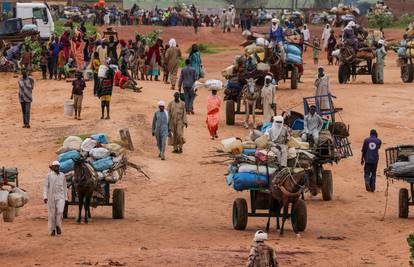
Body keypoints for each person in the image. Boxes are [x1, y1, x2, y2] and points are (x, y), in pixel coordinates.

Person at [43, 161, 68, 236]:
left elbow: (64, 187)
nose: (57, 168)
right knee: (52, 214)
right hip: (51, 197)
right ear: (52, 167)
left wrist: (66, 198)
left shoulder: (62, 175)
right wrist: (45, 196)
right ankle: (52, 230)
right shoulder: (49, 176)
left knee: (60, 211)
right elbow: (45, 187)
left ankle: (58, 226)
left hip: (61, 196)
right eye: (55, 166)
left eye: (58, 166)